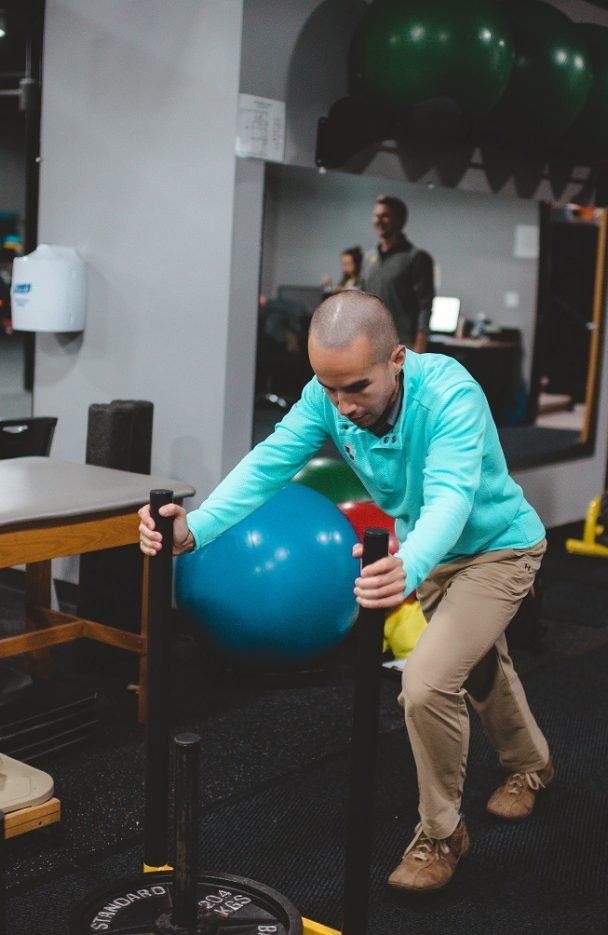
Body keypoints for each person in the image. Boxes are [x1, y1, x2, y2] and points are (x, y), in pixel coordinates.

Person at [139, 291, 552, 894]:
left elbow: (450, 497)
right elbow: (270, 463)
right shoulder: (328, 397)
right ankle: (531, 765)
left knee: (427, 682)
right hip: (427, 552)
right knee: (480, 666)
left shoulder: (451, 395)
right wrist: (195, 529)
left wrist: (406, 567)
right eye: (328, 389)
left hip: (497, 548)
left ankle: (441, 834)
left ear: (398, 359)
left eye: (356, 387)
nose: (342, 406)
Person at [359, 195, 435, 353]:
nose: (378, 221)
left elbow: (425, 305)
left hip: (403, 343)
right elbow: (362, 300)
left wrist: (420, 348)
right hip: (371, 341)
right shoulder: (368, 257)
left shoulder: (416, 257)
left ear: (400, 221)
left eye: (385, 216)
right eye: (376, 216)